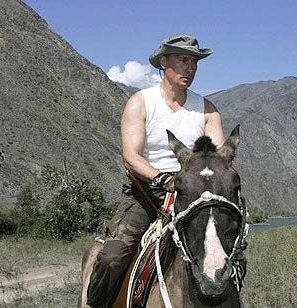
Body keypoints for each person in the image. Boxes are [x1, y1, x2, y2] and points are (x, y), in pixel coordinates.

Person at [86, 33, 226, 307]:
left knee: (229, 254)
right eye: (183, 60)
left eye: (194, 62)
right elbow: (130, 156)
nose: (190, 67)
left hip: (194, 199)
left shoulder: (207, 111)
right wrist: (163, 178)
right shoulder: (141, 102)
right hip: (145, 196)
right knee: (111, 258)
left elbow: (219, 159)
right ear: (164, 61)